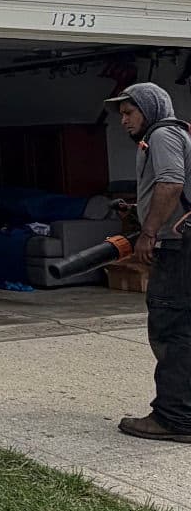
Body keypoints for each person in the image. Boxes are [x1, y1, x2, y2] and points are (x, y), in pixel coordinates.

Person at [107, 82, 191, 440]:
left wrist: (150, 233)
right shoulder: (176, 133)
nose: (124, 121)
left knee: (171, 328)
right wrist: (137, 210)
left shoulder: (162, 134)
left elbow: (171, 183)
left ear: (149, 108)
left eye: (129, 112)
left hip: (178, 248)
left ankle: (173, 419)